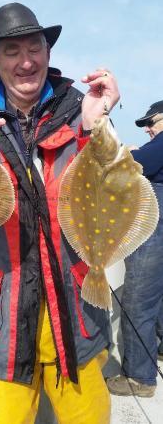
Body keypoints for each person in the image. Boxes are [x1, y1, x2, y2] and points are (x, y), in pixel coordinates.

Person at [0, 3, 120, 424]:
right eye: (11, 51)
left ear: (47, 52)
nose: (26, 62)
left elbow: (114, 187)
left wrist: (97, 125)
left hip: (75, 314)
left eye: (35, 48)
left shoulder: (82, 114)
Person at [107, 101, 163, 398]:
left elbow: (138, 165)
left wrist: (128, 152)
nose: (148, 129)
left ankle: (140, 378)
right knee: (158, 294)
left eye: (152, 122)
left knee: (138, 300)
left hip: (154, 232)